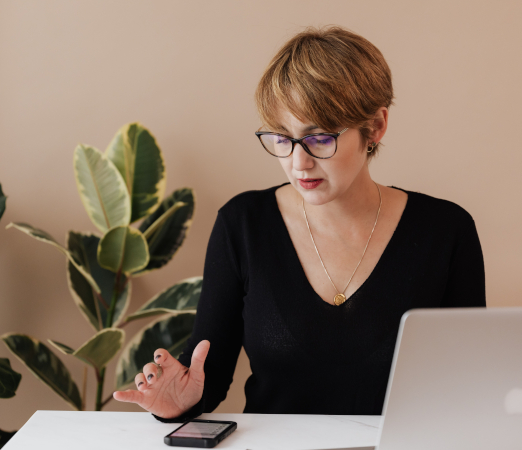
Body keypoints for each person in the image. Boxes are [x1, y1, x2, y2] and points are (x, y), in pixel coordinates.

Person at [113, 25, 485, 421]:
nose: (298, 162)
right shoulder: (242, 225)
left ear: (375, 127)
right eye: (281, 137)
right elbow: (209, 375)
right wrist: (179, 402)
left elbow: (470, 384)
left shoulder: (447, 231)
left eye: (319, 139)